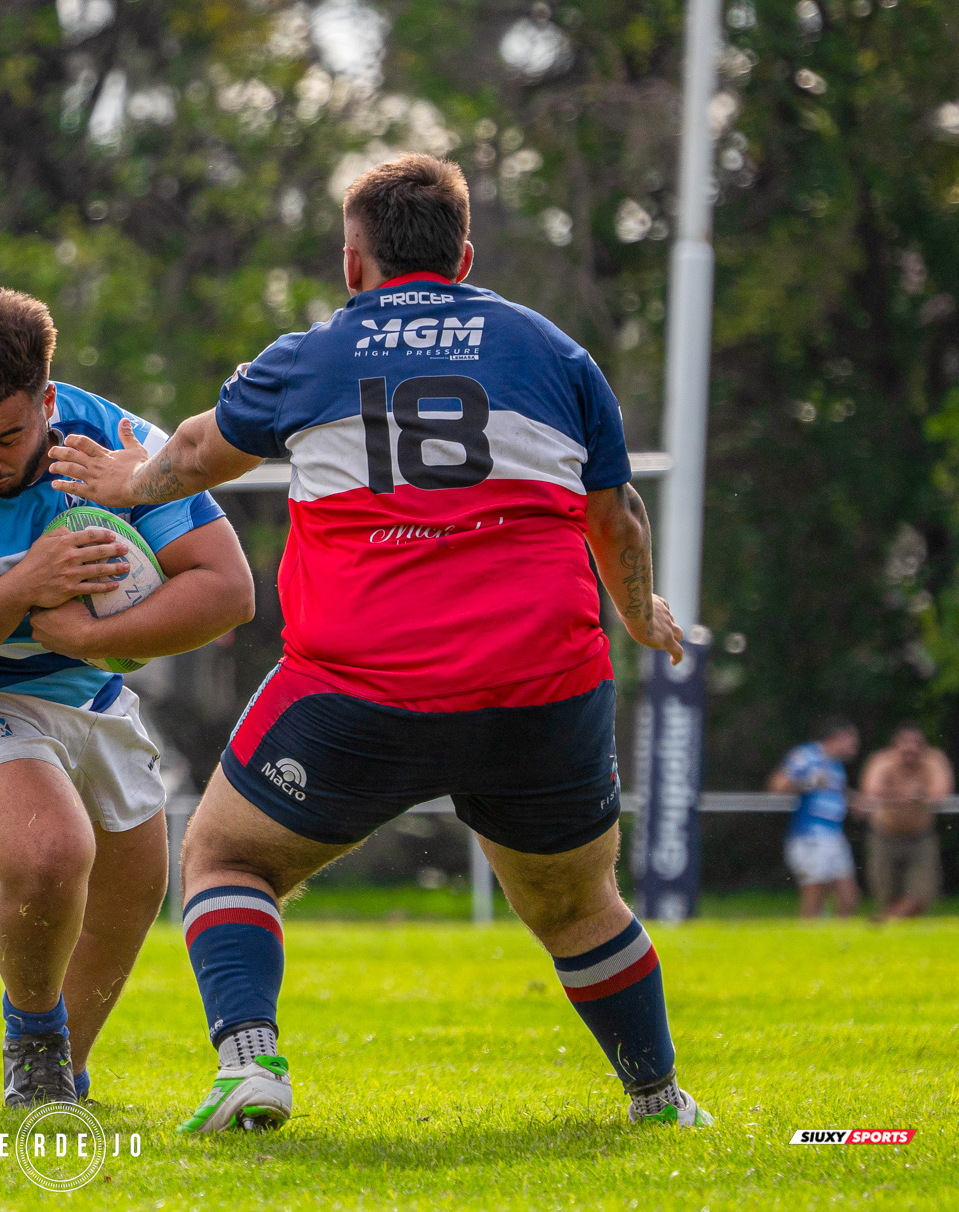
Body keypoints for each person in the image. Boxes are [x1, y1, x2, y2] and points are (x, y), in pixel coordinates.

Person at [50, 153, 712, 1132]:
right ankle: (659, 1100)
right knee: (578, 909)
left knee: (228, 857)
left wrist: (122, 482)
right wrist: (639, 610)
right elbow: (617, 522)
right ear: (465, 253)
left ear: (353, 262)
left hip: (364, 689)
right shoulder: (554, 353)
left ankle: (249, 1068)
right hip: (542, 686)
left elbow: (195, 454)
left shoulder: (315, 355)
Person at [0, 288, 254, 1106]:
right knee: (50, 853)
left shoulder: (120, 448)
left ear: (49, 402)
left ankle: (60, 1081)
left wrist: (89, 639)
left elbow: (229, 591)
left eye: (8, 436)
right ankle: (32, 1046)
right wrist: (21, 590)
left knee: (136, 883)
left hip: (87, 687)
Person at [768, 719, 861, 918]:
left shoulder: (836, 766)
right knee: (813, 899)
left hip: (834, 836)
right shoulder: (806, 756)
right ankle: (806, 940)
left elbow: (835, 790)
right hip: (809, 836)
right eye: (851, 739)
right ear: (836, 737)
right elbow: (777, 786)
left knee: (849, 897)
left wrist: (854, 801)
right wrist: (808, 781)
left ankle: (837, 942)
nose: (855, 745)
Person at [856, 723, 948, 919]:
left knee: (922, 893)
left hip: (920, 837)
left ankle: (884, 921)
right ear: (894, 746)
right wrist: (898, 793)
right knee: (885, 892)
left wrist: (921, 793)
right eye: (905, 743)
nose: (911, 749)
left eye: (916, 744)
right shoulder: (881, 762)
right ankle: (893, 923)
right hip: (884, 835)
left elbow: (940, 792)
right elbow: (871, 790)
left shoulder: (934, 762)